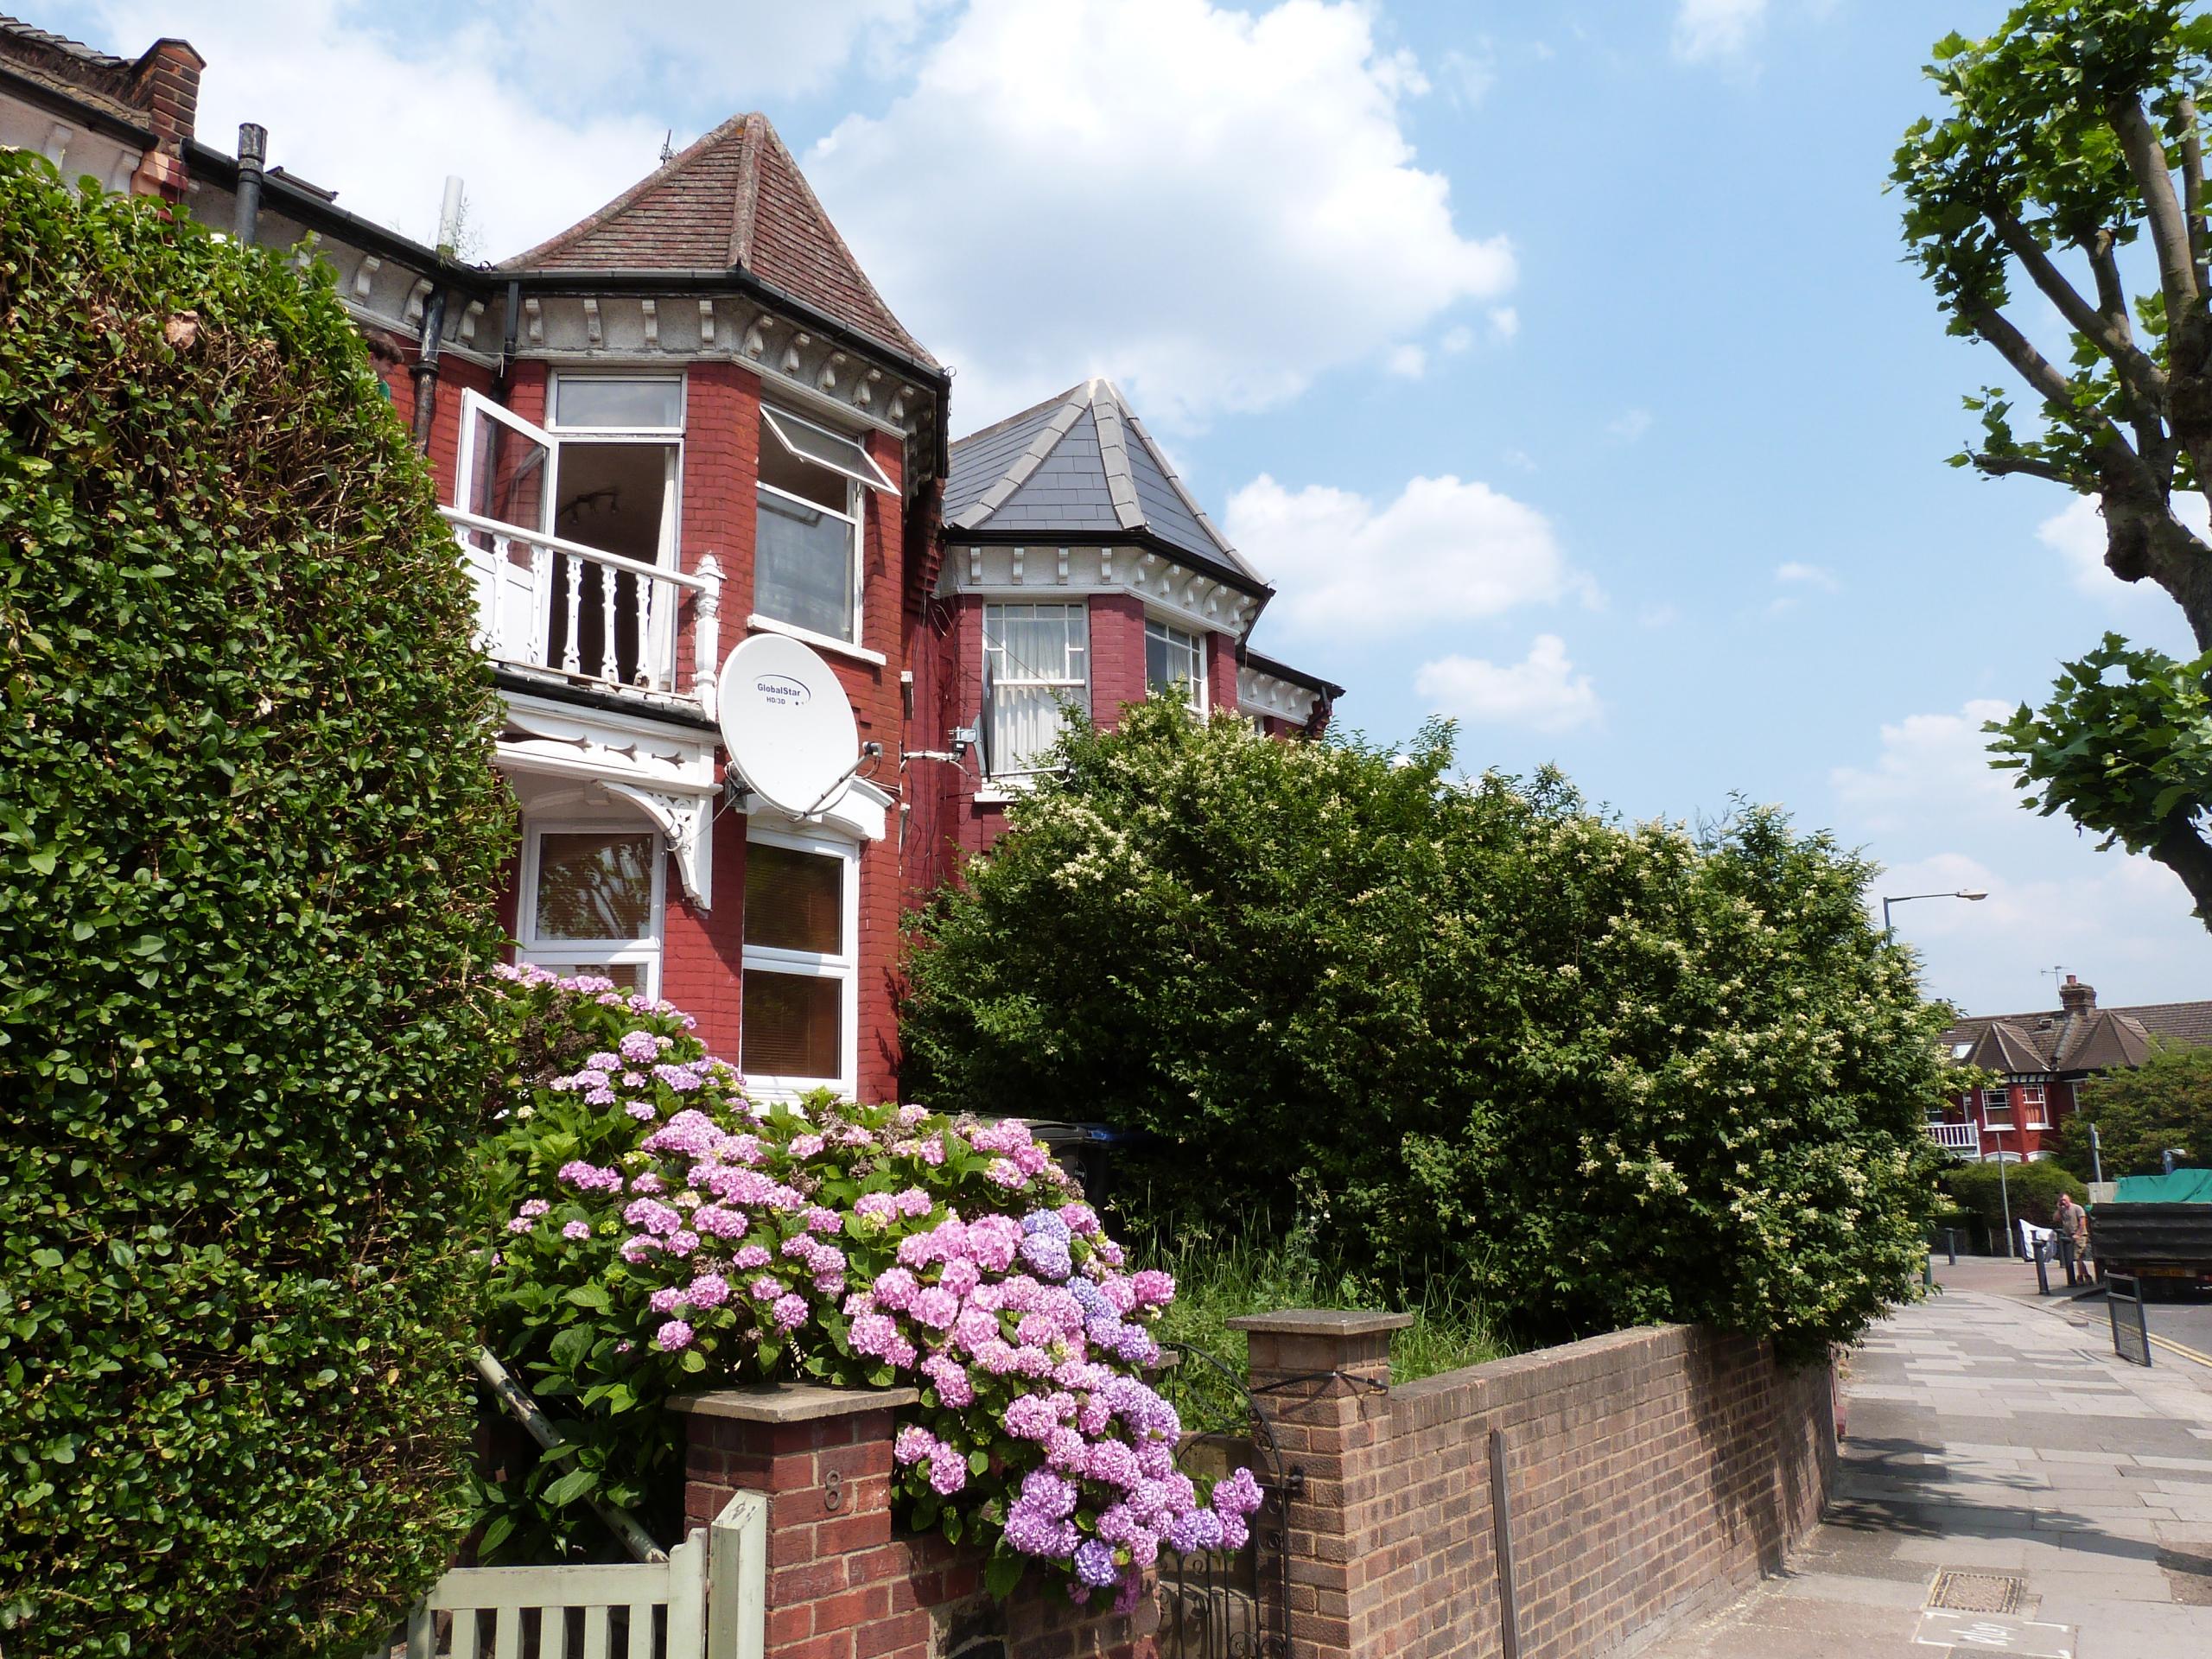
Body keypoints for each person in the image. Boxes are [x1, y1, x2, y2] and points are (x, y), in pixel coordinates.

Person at [2055, 1192, 2088, 1287]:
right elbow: (2055, 1219)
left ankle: (2080, 1277)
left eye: (2065, 1200)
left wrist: (2078, 1234)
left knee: (2077, 1257)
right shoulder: (2062, 1210)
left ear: (2069, 1200)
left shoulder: (2077, 1208)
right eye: (2061, 1201)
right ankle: (2086, 1276)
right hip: (2069, 1237)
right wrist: (2058, 1208)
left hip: (2080, 1236)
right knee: (2078, 1258)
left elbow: (2082, 1223)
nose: (2063, 1202)